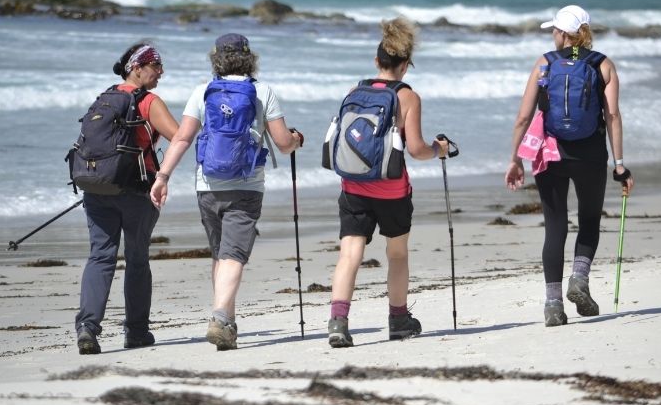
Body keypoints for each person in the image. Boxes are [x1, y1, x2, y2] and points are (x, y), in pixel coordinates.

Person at [150, 33, 302, 351]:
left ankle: (227, 326)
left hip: (206, 185)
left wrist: (163, 176)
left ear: (216, 58)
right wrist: (297, 139)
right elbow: (284, 144)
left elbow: (181, 139)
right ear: (249, 58)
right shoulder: (262, 91)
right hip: (246, 186)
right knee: (233, 256)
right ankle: (220, 318)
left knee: (221, 255)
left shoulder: (203, 91)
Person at [504, 5, 635, 327]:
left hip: (550, 155)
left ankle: (553, 304)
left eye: (554, 30)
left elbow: (523, 116)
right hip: (590, 155)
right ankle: (578, 278)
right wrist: (620, 165)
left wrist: (515, 158)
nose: (552, 35)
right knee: (589, 220)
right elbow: (613, 116)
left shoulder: (545, 62)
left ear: (562, 33)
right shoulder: (602, 64)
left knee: (555, 225)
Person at [328, 17, 449, 348]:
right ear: (406, 65)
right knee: (396, 254)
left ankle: (338, 322)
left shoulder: (355, 91)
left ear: (376, 61)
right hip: (393, 189)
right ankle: (398, 320)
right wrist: (440, 149)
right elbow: (416, 149)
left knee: (349, 253)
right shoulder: (407, 97)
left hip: (352, 186)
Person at [76, 43, 179, 354]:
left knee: (100, 257)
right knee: (136, 260)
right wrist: (163, 176)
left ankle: (87, 328)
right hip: (138, 191)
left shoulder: (105, 96)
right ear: (137, 68)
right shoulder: (149, 101)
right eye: (155, 65)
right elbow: (180, 137)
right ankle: (135, 332)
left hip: (97, 188)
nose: (161, 71)